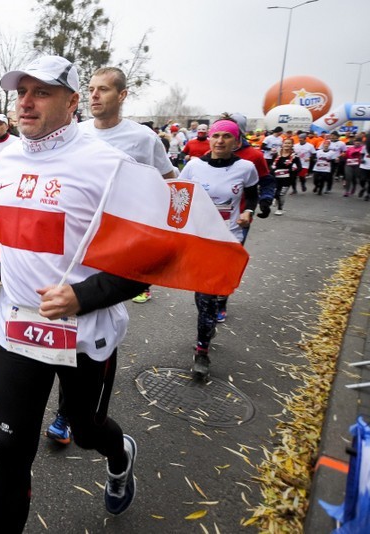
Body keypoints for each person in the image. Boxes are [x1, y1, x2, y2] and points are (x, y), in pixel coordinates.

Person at [0, 56, 145, 532]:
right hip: (17, 329)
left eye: (41, 92)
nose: (25, 102)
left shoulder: (110, 165)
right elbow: (9, 234)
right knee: (11, 448)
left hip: (85, 333)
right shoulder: (4, 155)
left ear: (73, 102)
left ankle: (120, 452)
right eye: (20, 92)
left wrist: (81, 297)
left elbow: (146, 267)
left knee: (88, 431)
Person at [44, 65, 176, 445]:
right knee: (61, 318)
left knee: (93, 320)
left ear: (122, 95)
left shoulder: (143, 138)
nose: (95, 96)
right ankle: (67, 409)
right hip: (72, 241)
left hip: (116, 247)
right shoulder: (75, 133)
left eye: (104, 89)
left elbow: (167, 184)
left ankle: (73, 412)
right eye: (91, 89)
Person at [178, 119, 258, 379]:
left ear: (236, 142)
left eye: (226, 136)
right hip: (199, 238)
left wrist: (247, 210)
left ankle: (202, 351)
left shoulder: (246, 167)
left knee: (210, 294)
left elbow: (253, 194)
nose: (220, 141)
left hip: (228, 238)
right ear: (208, 139)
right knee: (202, 297)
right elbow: (179, 196)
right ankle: (208, 321)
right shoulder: (193, 166)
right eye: (216, 136)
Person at [270, 138, 301, 215]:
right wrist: (271, 172)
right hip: (276, 177)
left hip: (287, 178)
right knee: (275, 192)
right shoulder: (276, 154)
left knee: (281, 193)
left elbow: (299, 167)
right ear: (282, 144)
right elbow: (271, 165)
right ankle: (276, 198)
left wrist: (292, 172)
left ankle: (280, 209)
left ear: (292, 145)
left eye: (289, 143)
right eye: (285, 143)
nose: (287, 145)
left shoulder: (294, 156)